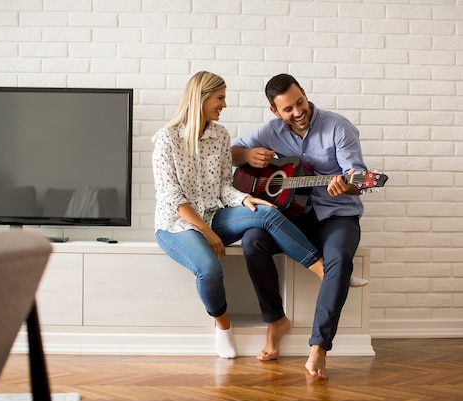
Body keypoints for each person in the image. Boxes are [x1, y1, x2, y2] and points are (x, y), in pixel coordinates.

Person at [152, 71, 326, 359]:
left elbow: (223, 185)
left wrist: (245, 199)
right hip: (177, 225)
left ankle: (323, 269)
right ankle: (223, 328)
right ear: (202, 98)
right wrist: (208, 234)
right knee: (209, 270)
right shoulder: (167, 139)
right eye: (220, 98)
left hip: (214, 214)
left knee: (265, 212)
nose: (224, 104)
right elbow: (173, 198)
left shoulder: (220, 135)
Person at [231, 74, 368, 379]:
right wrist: (247, 155)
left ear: (305, 94)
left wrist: (347, 186)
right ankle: (275, 321)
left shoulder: (338, 126)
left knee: (338, 260)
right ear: (274, 112)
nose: (297, 112)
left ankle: (319, 348)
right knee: (253, 239)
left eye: (300, 103)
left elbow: (358, 179)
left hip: (338, 216)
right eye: (288, 109)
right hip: (294, 216)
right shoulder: (270, 131)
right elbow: (230, 153)